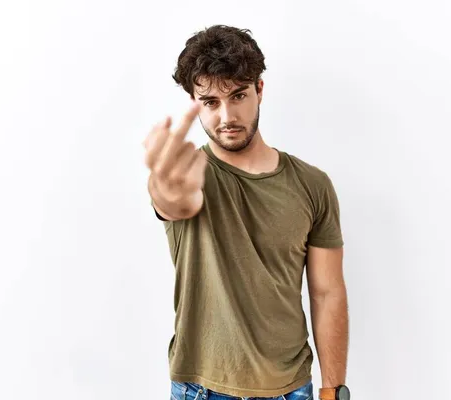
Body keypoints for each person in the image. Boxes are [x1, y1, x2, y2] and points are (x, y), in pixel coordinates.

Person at [142, 25, 351, 400]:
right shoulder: (186, 174)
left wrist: (333, 389)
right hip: (201, 389)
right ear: (194, 102)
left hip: (292, 389)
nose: (226, 116)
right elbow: (173, 200)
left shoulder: (313, 185)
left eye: (238, 95)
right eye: (210, 102)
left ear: (259, 90)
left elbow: (327, 292)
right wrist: (164, 185)